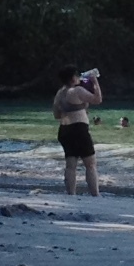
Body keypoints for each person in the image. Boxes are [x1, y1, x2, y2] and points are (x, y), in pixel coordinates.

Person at [53, 67, 105, 196]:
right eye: (76, 76)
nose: (79, 78)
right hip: (79, 129)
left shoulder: (60, 93)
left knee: (71, 164)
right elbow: (97, 99)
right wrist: (94, 82)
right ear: (72, 78)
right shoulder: (77, 90)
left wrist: (73, 109)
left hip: (64, 130)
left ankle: (71, 194)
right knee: (91, 164)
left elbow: (56, 115)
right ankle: (95, 194)